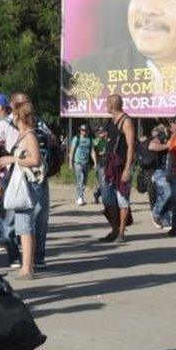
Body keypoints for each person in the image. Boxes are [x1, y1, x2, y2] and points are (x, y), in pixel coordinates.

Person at [0, 97, 44, 279]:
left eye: (14, 115)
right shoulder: (24, 135)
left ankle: (27, 268)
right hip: (25, 183)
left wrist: (12, 159)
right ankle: (27, 264)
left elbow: (35, 160)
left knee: (25, 226)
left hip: (27, 185)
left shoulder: (29, 135)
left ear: (19, 117)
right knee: (25, 226)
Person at [0, 93, 21, 267]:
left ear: (0, 106)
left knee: (11, 216)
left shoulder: (10, 121)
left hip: (13, 173)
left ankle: (16, 255)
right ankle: (15, 251)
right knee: (7, 215)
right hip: (7, 174)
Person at [100, 95, 136, 242]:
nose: (105, 106)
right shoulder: (112, 121)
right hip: (109, 166)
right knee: (108, 199)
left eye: (106, 104)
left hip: (121, 165)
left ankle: (120, 232)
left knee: (122, 199)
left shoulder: (126, 121)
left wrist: (128, 168)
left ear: (112, 105)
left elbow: (131, 146)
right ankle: (114, 228)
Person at [146, 124, 173, 229]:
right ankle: (156, 213)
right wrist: (167, 146)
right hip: (160, 170)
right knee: (167, 192)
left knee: (169, 196)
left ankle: (166, 220)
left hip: (174, 171)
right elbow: (151, 146)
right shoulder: (164, 136)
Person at [69, 123, 98, 205]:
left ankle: (80, 196)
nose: (83, 132)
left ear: (88, 131)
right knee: (80, 178)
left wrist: (95, 162)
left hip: (86, 163)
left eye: (85, 130)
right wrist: (70, 163)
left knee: (84, 181)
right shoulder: (76, 138)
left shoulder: (90, 139)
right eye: (81, 130)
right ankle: (79, 197)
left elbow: (92, 151)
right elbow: (71, 151)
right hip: (77, 162)